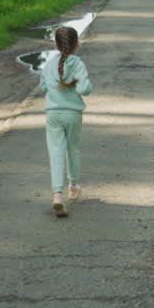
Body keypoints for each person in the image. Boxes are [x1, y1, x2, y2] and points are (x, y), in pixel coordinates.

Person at [40, 26, 93, 217]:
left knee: (55, 152)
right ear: (76, 44)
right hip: (73, 114)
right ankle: (73, 185)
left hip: (53, 114)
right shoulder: (78, 63)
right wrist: (82, 84)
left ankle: (57, 196)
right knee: (73, 149)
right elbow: (84, 89)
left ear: (56, 44)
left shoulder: (49, 64)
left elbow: (43, 86)